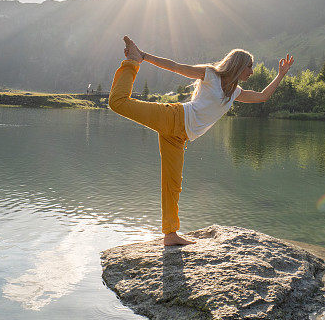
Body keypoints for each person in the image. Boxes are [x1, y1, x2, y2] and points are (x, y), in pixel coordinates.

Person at [109, 36, 294, 245]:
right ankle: (131, 63)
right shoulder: (210, 74)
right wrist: (142, 57)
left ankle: (170, 234)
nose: (251, 71)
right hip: (174, 117)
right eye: (249, 67)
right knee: (118, 102)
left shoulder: (235, 92)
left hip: (179, 137)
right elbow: (176, 67)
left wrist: (280, 75)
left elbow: (262, 96)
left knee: (173, 184)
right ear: (239, 64)